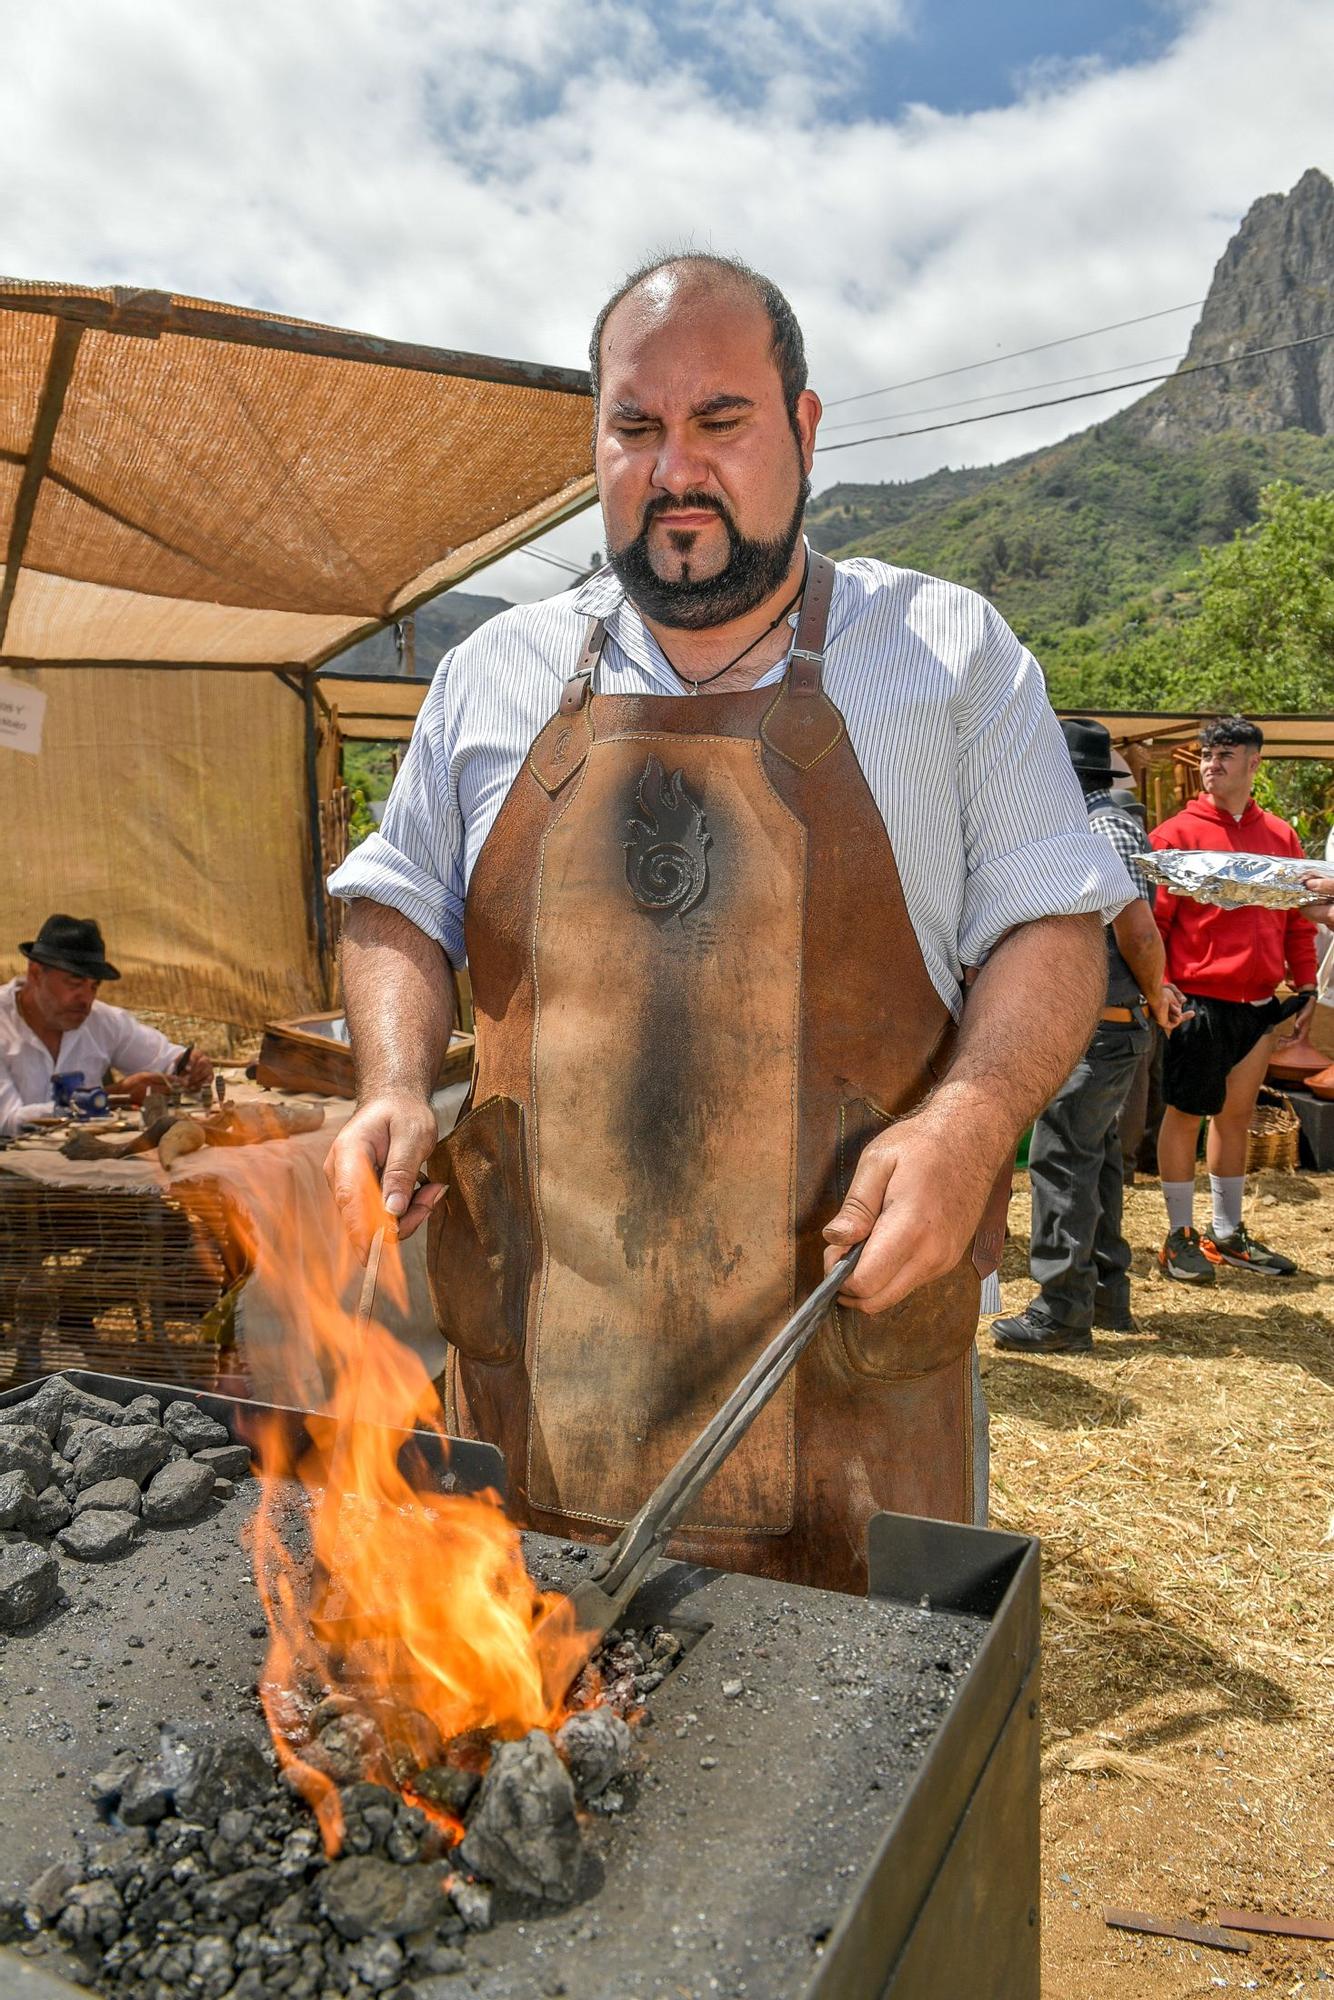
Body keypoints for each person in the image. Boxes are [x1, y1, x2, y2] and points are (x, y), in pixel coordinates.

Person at [324, 253, 1133, 1593]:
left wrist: (969, 1120)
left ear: (803, 431)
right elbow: (395, 898)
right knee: (527, 1757)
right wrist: (396, 1084)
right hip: (537, 1393)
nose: (673, 469)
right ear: (596, 439)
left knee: (839, 1775)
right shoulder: (494, 672)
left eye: (720, 421)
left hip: (850, 1401)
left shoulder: (948, 654)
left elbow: (1052, 924)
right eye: (634, 427)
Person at [992, 720, 1188, 1354]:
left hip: (1100, 1026)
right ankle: (1105, 1296)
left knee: (1061, 1160)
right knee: (1098, 1157)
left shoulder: (1096, 830)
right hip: (1116, 1024)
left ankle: (1061, 1312)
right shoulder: (1117, 821)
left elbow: (1137, 931)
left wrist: (1156, 990)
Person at [1152, 718, 1318, 1282]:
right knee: (1185, 1115)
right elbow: (1152, 923)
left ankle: (1227, 1233)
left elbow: (1296, 919)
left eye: (1225, 754)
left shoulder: (1281, 836)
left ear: (1254, 763)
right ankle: (1179, 1236)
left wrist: (1306, 985)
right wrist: (1163, 987)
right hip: (1196, 999)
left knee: (1237, 1116)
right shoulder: (1175, 834)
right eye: (1206, 754)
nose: (1211, 764)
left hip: (1259, 1002)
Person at [0, 915, 213, 1136]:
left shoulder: (100, 1020)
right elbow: (8, 1121)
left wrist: (189, 1068)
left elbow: (166, 1060)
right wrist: (111, 1097)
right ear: (35, 973)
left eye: (94, 986)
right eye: (75, 983)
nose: (86, 999)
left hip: (82, 1160)